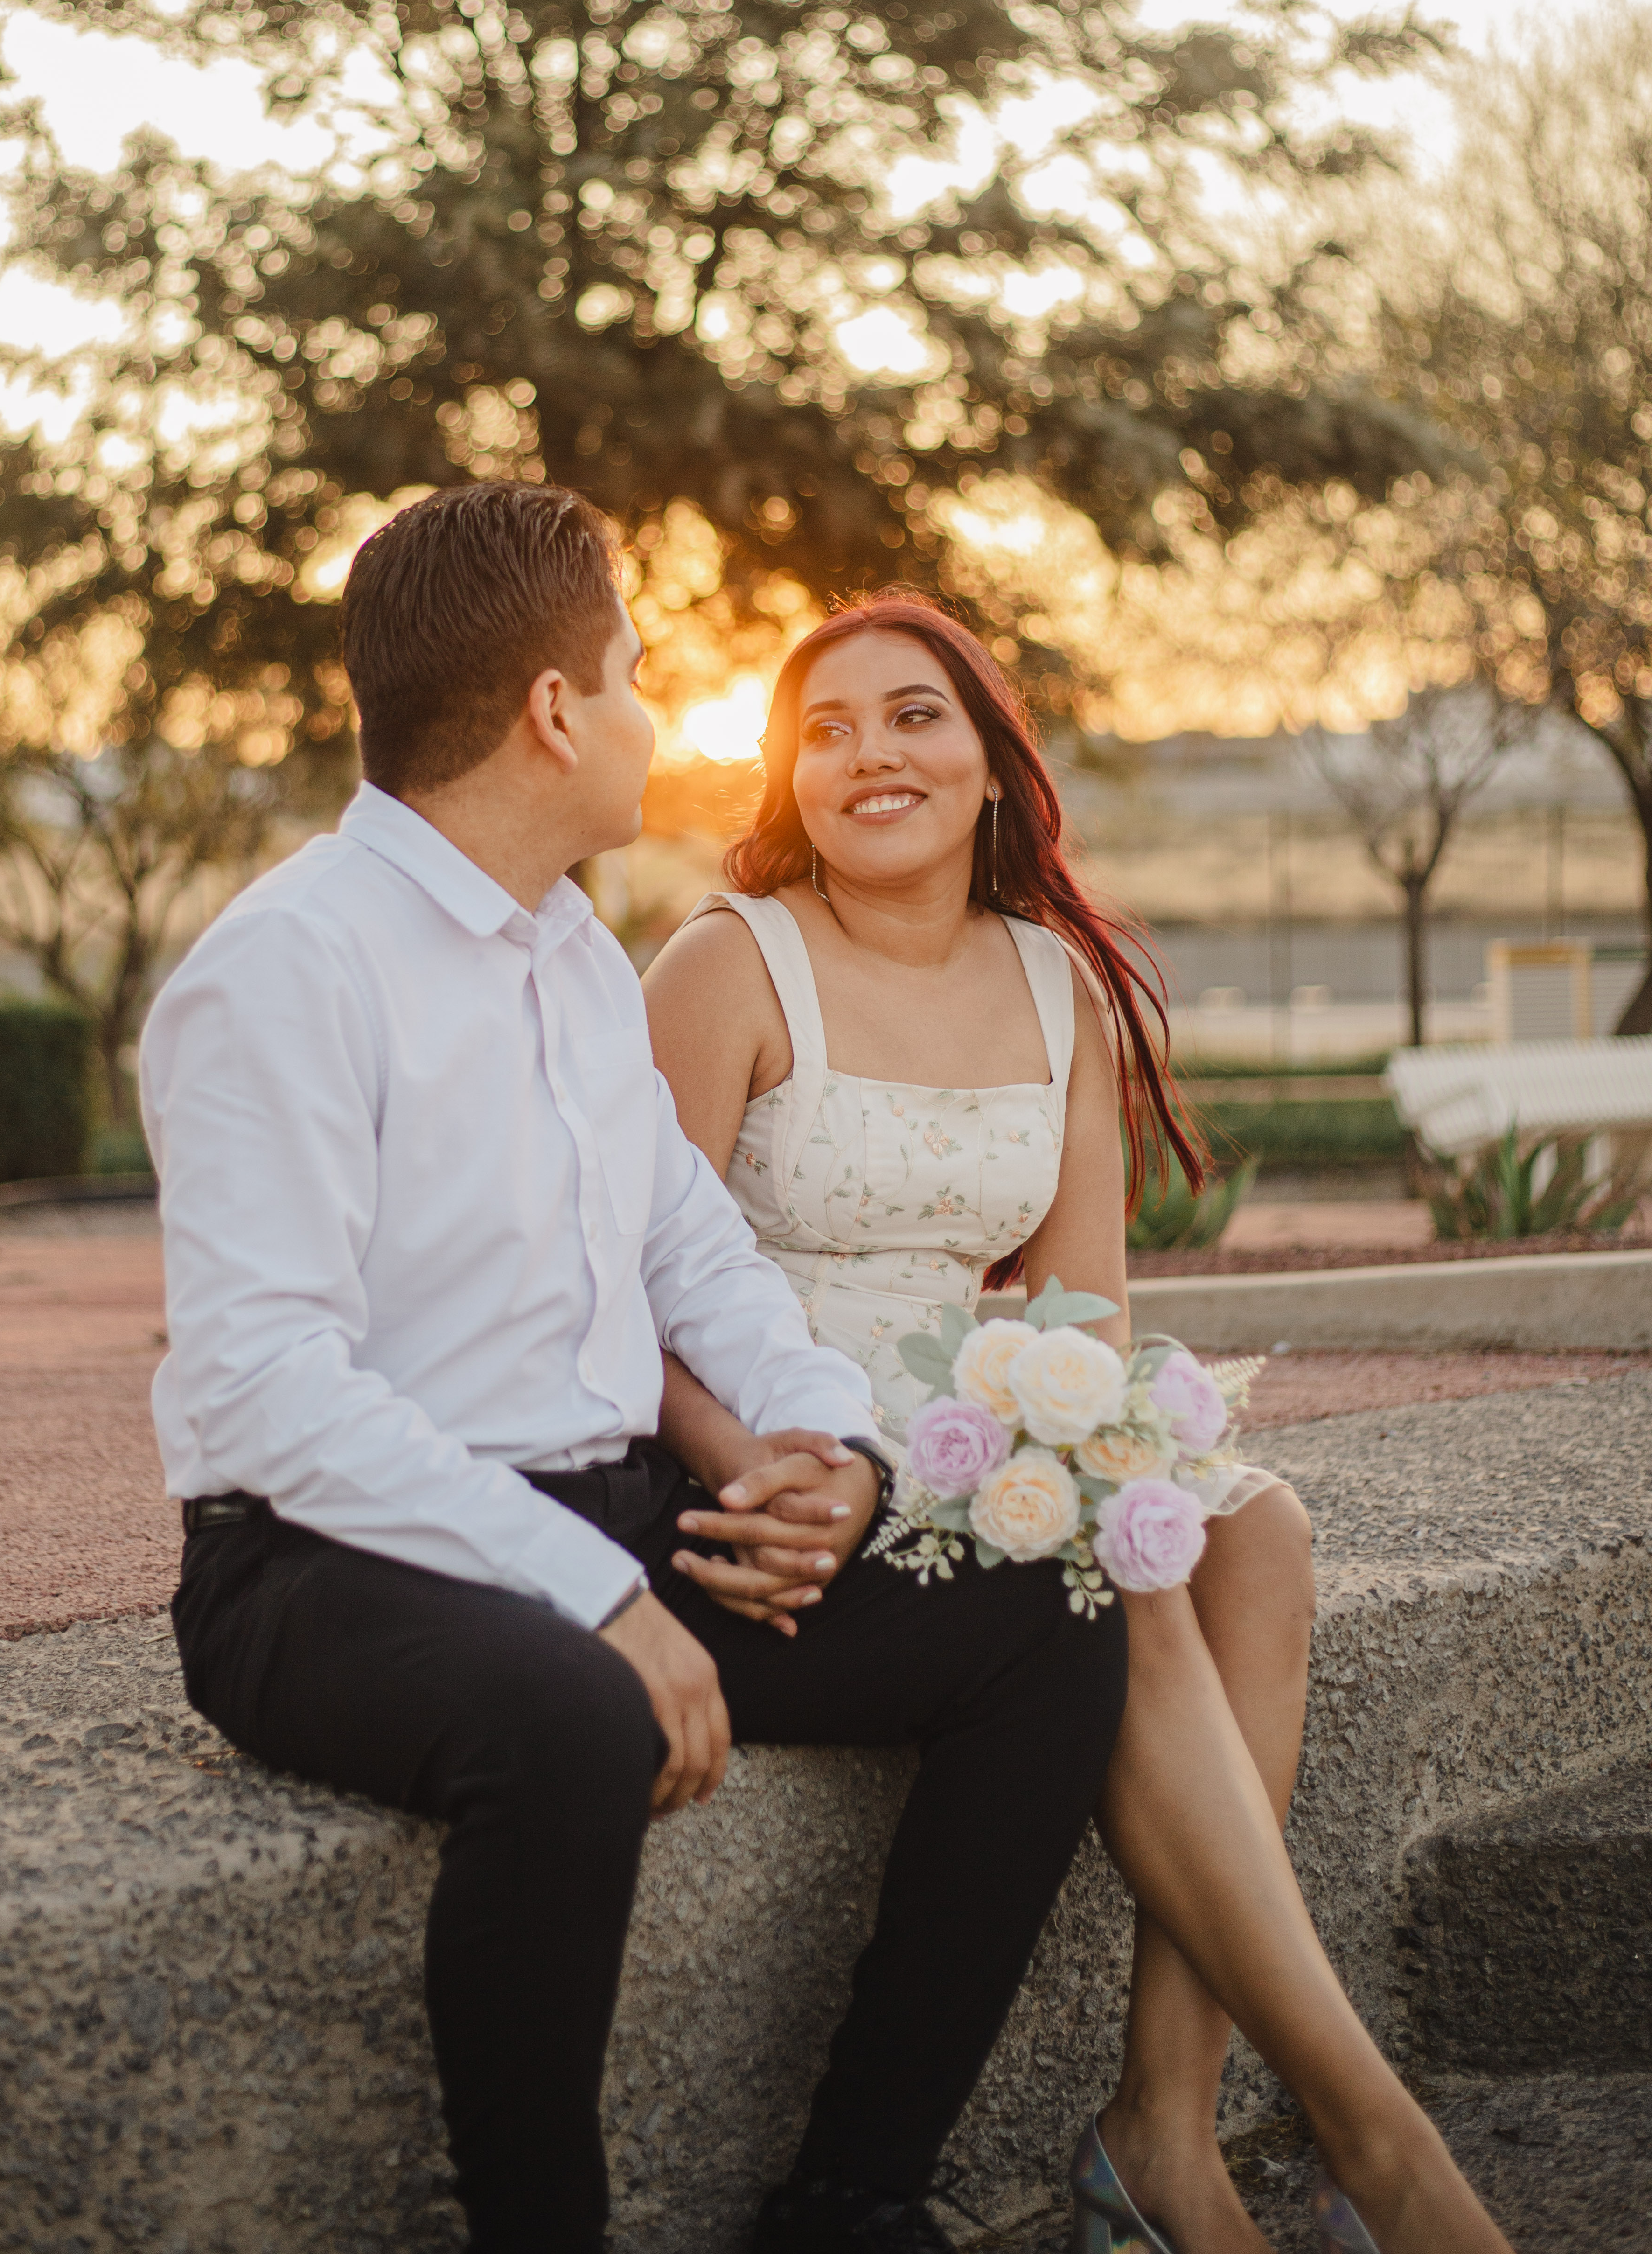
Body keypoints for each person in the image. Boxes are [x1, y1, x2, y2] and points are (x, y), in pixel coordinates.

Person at [141, 488, 1128, 2254]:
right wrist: (595, 1594)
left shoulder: (578, 966)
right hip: (322, 1563)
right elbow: (267, 1394)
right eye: (636, 673)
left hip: (606, 1515)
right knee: (571, 1716)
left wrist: (822, 1445)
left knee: (1047, 1619)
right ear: (552, 712)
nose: (658, 714)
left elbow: (694, 1249)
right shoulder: (286, 971)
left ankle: (853, 2199)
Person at [642, 594, 1513, 2254]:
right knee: (1132, 1587)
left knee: (1251, 1531)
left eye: (913, 717)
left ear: (988, 767)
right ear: (784, 776)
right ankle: (1371, 2142)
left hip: (973, 1425)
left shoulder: (1061, 988)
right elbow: (624, 1288)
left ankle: (1166, 2118)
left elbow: (1089, 1313)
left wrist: (1097, 1452)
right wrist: (740, 1459)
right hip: (785, 1448)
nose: (867, 754)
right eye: (822, 729)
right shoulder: (723, 963)